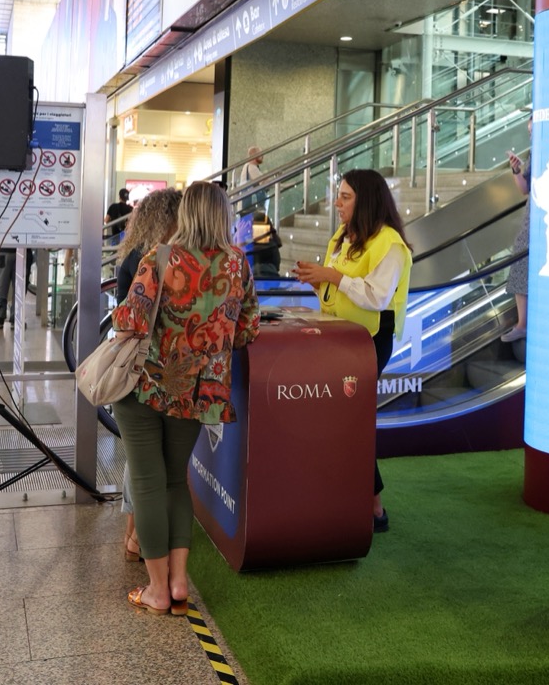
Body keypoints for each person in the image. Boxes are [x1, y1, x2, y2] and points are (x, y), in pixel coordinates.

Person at [110, 181, 259, 616]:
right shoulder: (237, 264)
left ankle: (156, 589)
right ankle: (177, 583)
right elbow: (247, 329)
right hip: (199, 394)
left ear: (187, 213)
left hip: (146, 387)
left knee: (147, 482)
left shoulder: (160, 258)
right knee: (177, 481)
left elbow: (129, 322)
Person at [293, 168, 413, 533]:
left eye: (345, 197)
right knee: (338, 419)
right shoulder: (343, 236)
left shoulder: (389, 243)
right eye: (338, 195)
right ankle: (348, 497)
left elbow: (376, 296)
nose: (337, 203)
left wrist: (330, 276)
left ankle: (374, 504)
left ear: (366, 200)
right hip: (337, 335)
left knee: (350, 421)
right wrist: (318, 280)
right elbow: (338, 290)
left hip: (370, 340)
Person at [111, 187, 185, 564]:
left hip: (136, 367)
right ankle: (138, 536)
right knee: (155, 472)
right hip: (151, 369)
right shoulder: (156, 258)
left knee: (140, 464)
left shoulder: (134, 254)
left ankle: (133, 533)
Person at [501, 146, 531, 343]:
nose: (531, 136)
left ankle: (524, 324)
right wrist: (516, 170)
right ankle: (523, 324)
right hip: (532, 214)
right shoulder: (535, 152)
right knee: (520, 257)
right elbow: (524, 189)